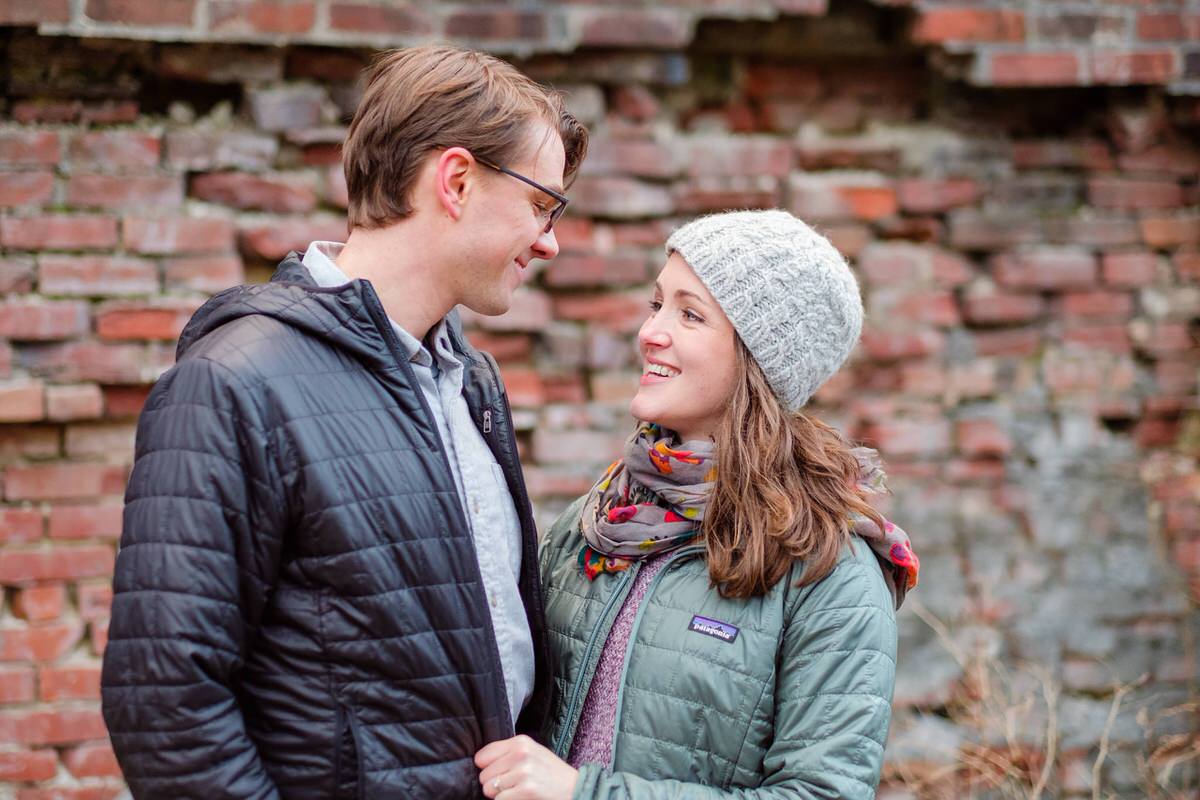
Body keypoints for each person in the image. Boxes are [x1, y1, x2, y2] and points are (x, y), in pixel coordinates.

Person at [101, 45, 588, 798]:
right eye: (539, 204)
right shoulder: (233, 384)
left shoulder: (469, 385)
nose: (550, 239)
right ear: (456, 180)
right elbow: (166, 703)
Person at [474, 209, 920, 799]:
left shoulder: (826, 570)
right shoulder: (598, 521)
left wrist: (586, 794)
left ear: (759, 359)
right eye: (657, 305)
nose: (651, 332)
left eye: (690, 314)